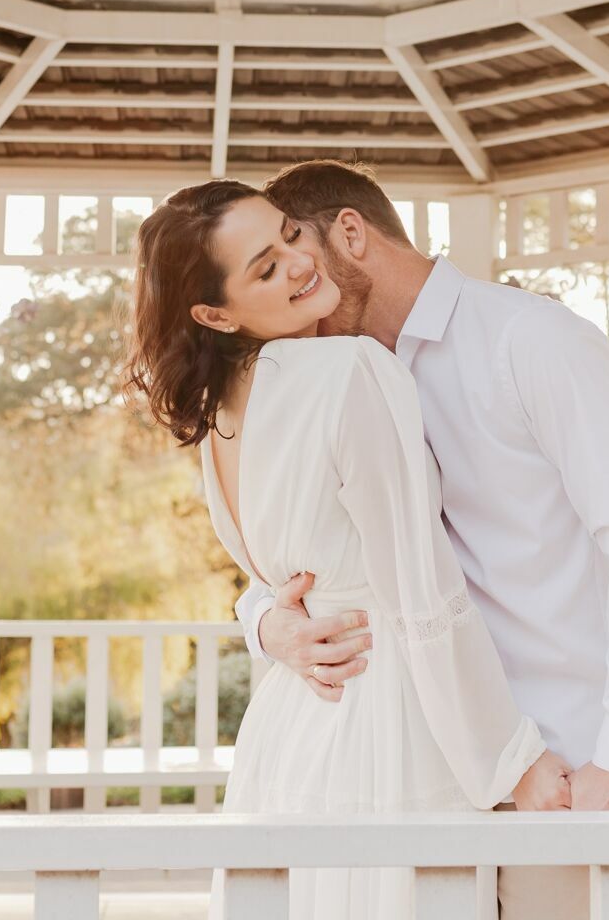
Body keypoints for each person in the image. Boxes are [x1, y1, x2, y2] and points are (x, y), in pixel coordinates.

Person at [238, 159, 609, 920]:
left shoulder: (530, 338)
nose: (291, 286)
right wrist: (265, 623)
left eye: (296, 253)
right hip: (412, 776)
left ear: (350, 233)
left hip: (561, 773)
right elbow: (296, 557)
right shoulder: (334, 383)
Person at [123, 180, 572, 920]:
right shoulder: (350, 370)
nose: (300, 262)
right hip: (385, 715)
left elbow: (277, 577)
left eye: (289, 235)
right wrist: (512, 759)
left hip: (290, 733)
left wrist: (265, 621)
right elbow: (420, 592)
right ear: (216, 313)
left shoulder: (223, 413)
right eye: (266, 268)